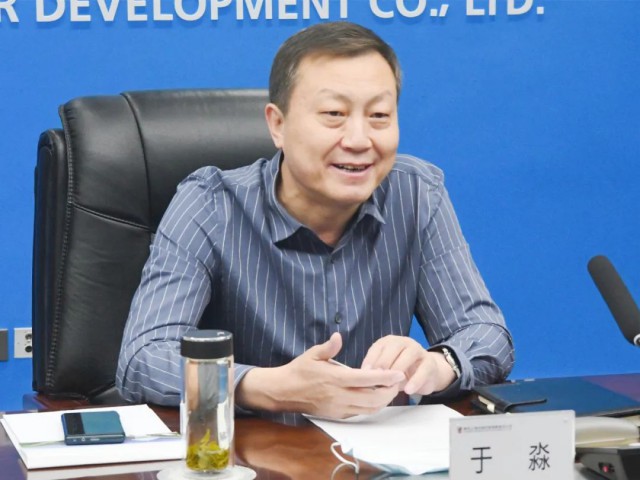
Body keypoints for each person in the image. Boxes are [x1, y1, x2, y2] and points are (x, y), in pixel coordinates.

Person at [116, 21, 514, 425]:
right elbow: (143, 360)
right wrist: (268, 387)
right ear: (278, 124)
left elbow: (487, 335)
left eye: (379, 115)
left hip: (379, 452)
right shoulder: (210, 205)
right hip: (251, 453)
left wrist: (438, 364)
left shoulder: (416, 194)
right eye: (334, 114)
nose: (359, 140)